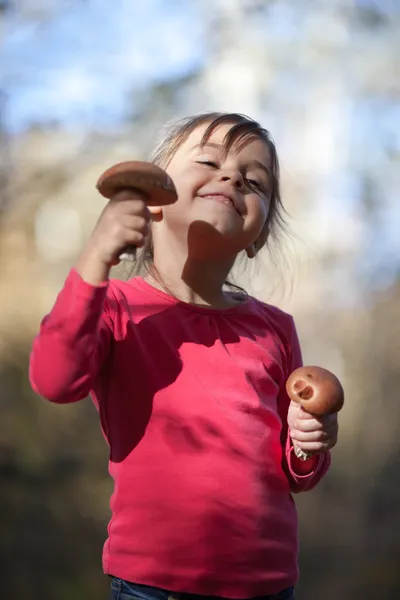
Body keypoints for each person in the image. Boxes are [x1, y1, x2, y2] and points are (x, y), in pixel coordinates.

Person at [29, 112, 339, 600]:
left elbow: (295, 474)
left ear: (257, 238)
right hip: (155, 586)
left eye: (254, 180)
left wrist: (309, 444)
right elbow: (54, 379)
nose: (233, 176)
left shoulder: (276, 328)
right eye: (209, 160)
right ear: (153, 202)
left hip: (269, 586)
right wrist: (97, 254)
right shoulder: (117, 307)